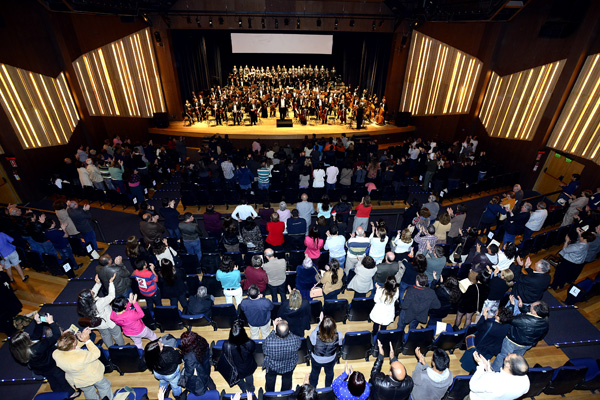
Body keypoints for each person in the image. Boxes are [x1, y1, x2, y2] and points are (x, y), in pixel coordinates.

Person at [10, 313, 78, 398]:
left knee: (52, 380)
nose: (27, 333)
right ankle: (71, 394)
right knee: (61, 378)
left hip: (41, 369)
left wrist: (39, 323)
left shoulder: (20, 350)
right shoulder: (38, 348)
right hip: (51, 365)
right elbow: (56, 336)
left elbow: (35, 336)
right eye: (26, 335)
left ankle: (58, 393)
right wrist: (51, 322)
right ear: (25, 341)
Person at [53, 327, 113, 400]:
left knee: (88, 392)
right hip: (94, 376)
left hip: (78, 380)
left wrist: (81, 339)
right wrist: (87, 340)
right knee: (104, 387)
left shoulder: (56, 354)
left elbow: (72, 348)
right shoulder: (82, 355)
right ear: (74, 343)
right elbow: (96, 353)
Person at [490, 300, 549, 372]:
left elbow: (508, 319)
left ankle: (494, 370)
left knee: (503, 356)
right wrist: (522, 307)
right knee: (516, 357)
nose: (530, 306)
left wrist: (510, 306)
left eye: (531, 306)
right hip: (528, 344)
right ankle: (511, 370)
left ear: (535, 312)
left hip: (512, 342)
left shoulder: (523, 320)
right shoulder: (545, 320)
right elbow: (542, 335)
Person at [460, 305, 513, 373]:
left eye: (497, 312)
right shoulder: (508, 327)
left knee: (472, 361)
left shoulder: (489, 324)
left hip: (480, 346)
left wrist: (483, 316)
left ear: (499, 317)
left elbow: (478, 326)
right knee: (482, 363)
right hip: (492, 349)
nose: (496, 312)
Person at [78, 273, 125, 347]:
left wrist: (98, 283)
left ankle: (110, 348)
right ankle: (121, 347)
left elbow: (93, 294)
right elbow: (111, 296)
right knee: (117, 334)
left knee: (105, 335)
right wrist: (111, 283)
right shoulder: (99, 303)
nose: (92, 290)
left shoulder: (82, 304)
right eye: (91, 292)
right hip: (109, 322)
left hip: (98, 324)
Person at [263, 318, 302, 392]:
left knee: (270, 379)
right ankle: (285, 392)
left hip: (272, 366)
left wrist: (274, 329)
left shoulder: (269, 342)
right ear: (288, 331)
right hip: (289, 365)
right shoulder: (296, 340)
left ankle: (270, 393)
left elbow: (265, 351)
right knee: (287, 379)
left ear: (276, 331)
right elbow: (297, 342)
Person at [144, 335, 184, 400]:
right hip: (171, 374)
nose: (162, 344)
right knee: (175, 386)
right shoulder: (169, 354)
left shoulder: (148, 355)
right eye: (160, 345)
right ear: (156, 351)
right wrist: (174, 351)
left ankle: (163, 393)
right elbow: (179, 360)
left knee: (162, 383)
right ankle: (177, 396)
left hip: (158, 374)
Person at [221, 321, 257, 392]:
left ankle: (243, 390)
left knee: (239, 380)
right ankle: (251, 390)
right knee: (249, 378)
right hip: (248, 367)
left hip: (236, 369)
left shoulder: (226, 345)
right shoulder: (249, 343)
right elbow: (253, 351)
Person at [309, 313, 342, 388]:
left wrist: (320, 322)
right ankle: (328, 386)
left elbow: (312, 342)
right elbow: (339, 345)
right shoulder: (339, 335)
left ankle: (313, 387)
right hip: (330, 359)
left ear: (321, 328)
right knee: (329, 372)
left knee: (315, 373)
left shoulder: (314, 335)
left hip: (317, 359)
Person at [180, 331, 216, 396]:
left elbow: (189, 372)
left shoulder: (189, 356)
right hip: (206, 365)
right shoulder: (202, 340)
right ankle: (213, 389)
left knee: (201, 383)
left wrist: (183, 372)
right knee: (207, 377)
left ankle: (211, 391)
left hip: (200, 371)